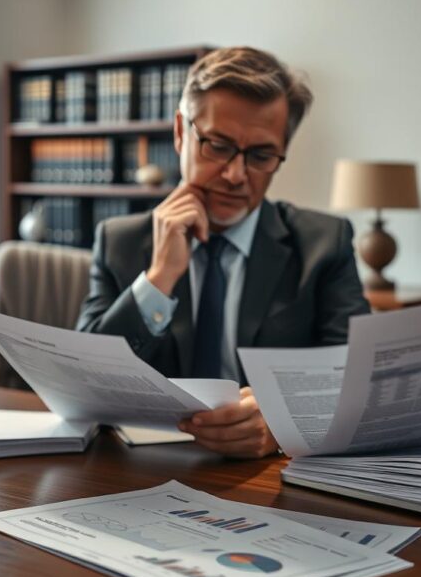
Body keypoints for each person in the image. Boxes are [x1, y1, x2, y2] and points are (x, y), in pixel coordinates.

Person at [77, 47, 369, 458]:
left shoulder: (324, 243)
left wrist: (283, 422)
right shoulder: (120, 241)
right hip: (144, 471)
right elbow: (84, 384)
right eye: (217, 145)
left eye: (261, 155)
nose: (235, 175)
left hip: (270, 478)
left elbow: (358, 381)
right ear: (181, 132)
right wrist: (159, 277)